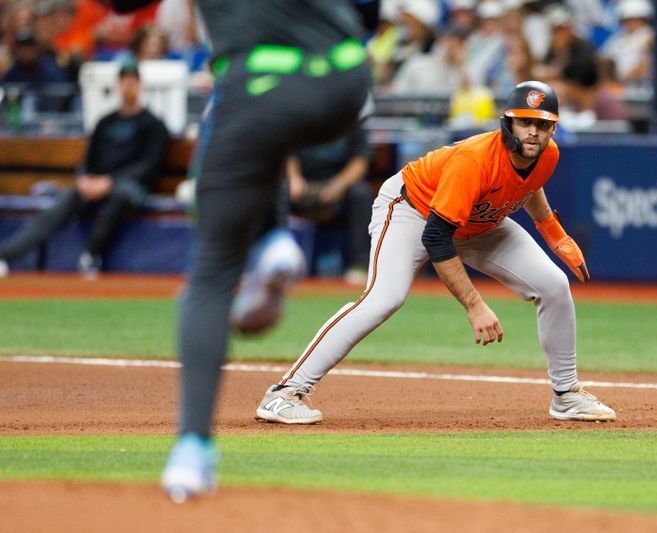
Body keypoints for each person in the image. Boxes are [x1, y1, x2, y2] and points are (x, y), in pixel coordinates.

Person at [104, 0, 377, 502]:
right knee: (270, 138)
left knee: (212, 269)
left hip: (256, 83)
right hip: (346, 80)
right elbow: (369, 12)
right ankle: (273, 240)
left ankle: (192, 451)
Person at [254, 81, 616, 427]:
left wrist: (555, 234)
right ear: (508, 124)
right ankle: (285, 392)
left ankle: (566, 395)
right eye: (525, 123)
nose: (533, 132)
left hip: (476, 219)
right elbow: (437, 236)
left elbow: (529, 185)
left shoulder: (547, 155)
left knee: (553, 284)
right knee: (384, 299)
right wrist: (474, 305)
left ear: (553, 129)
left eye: (542, 124)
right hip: (414, 210)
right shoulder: (474, 160)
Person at [0, 62, 168, 278]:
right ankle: (5, 255)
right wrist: (85, 179)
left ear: (140, 85)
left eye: (132, 81)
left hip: (131, 188)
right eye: (124, 80)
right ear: (118, 84)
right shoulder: (105, 122)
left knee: (122, 194)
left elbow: (148, 166)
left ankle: (90, 255)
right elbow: (89, 159)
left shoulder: (153, 124)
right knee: (59, 206)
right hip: (95, 184)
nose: (128, 86)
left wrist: (108, 182)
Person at [286, 123, 373, 283]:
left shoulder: (352, 121)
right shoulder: (300, 116)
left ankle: (359, 265)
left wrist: (337, 185)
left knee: (360, 194)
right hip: (301, 185)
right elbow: (286, 152)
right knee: (273, 192)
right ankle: (271, 266)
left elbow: (360, 162)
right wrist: (294, 179)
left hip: (337, 186)